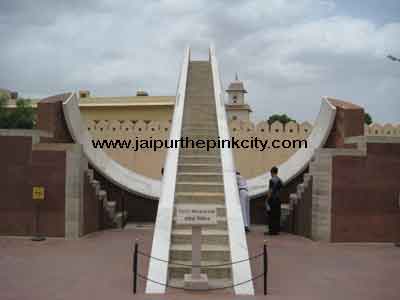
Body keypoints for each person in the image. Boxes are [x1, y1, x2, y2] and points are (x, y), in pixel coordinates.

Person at [265, 166, 283, 235]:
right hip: (278, 199)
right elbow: (281, 190)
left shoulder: (271, 180)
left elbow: (270, 191)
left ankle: (271, 231)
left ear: (272, 172)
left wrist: (267, 200)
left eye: (271, 173)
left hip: (272, 200)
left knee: (271, 215)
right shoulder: (280, 180)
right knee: (277, 215)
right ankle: (276, 230)